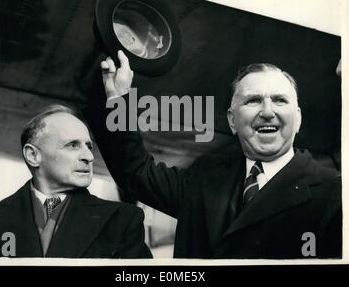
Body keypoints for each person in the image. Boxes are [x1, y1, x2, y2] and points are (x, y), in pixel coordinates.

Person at [88, 50, 341, 259]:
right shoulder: (205, 176)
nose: (267, 111)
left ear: (297, 119)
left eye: (280, 101)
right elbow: (136, 171)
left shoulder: (335, 193)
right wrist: (119, 98)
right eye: (253, 100)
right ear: (232, 121)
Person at [0, 105, 152, 258]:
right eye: (72, 145)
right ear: (33, 155)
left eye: (89, 146)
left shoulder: (122, 220)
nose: (89, 157)